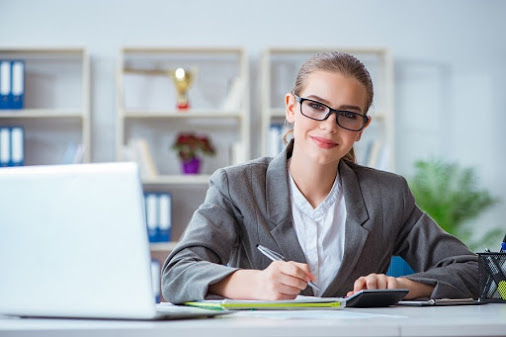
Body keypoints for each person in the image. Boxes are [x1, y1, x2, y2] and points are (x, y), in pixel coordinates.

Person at [161, 51, 478, 304]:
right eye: (315, 106)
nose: (329, 126)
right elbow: (177, 274)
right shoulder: (237, 186)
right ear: (291, 108)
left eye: (348, 114)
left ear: (361, 129)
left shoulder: (388, 194)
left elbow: (474, 270)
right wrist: (254, 283)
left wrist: (402, 286)